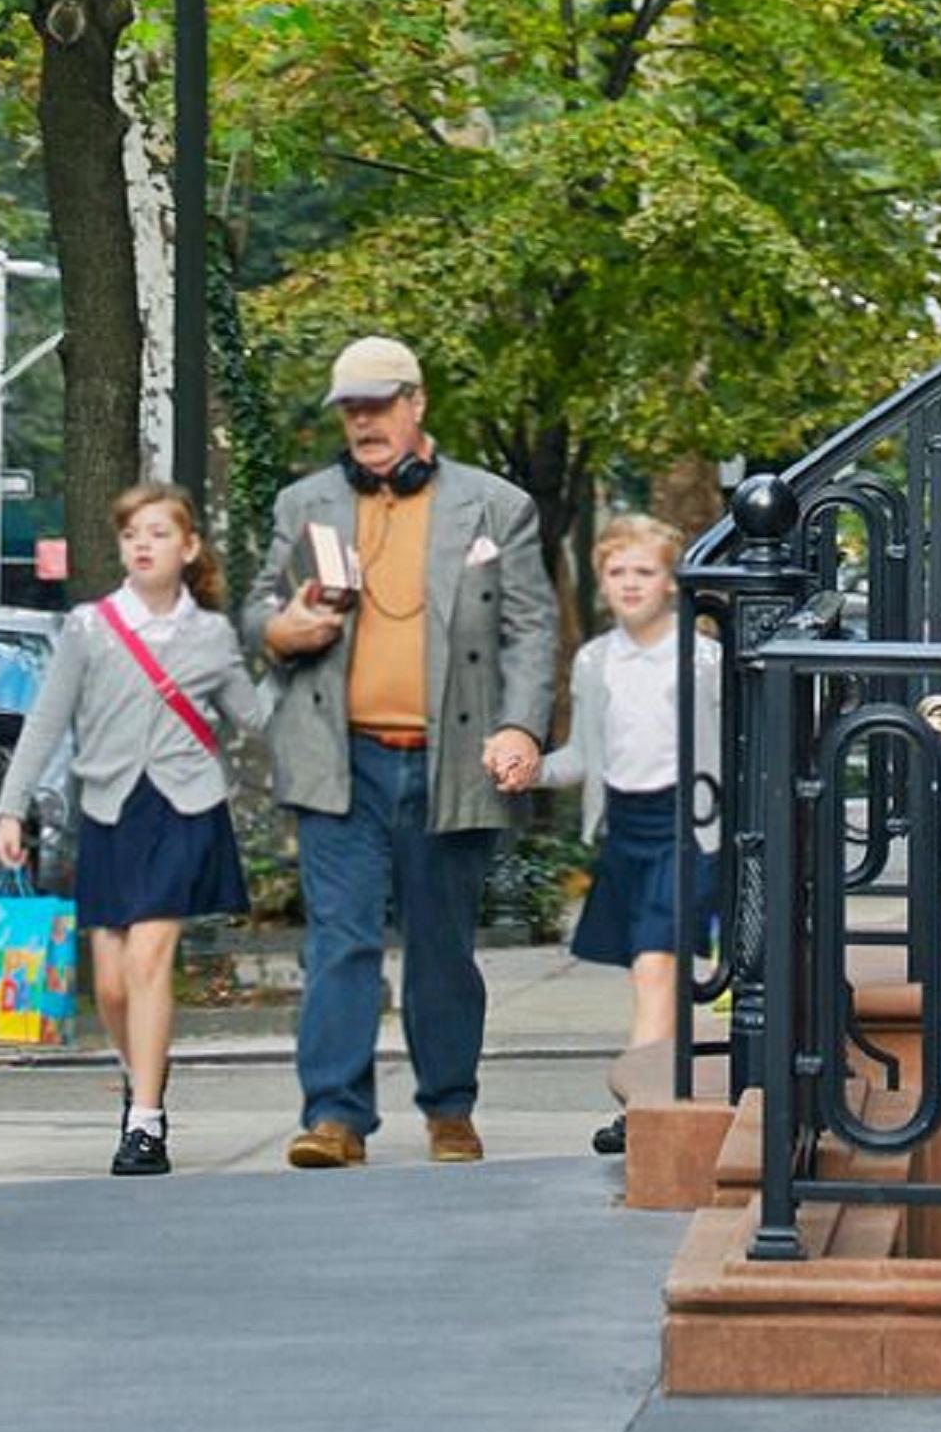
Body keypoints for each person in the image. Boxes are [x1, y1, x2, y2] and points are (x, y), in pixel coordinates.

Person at [241, 333, 556, 1167]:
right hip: (338, 756)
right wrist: (281, 627)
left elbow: (531, 631)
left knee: (441, 944)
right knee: (338, 938)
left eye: (378, 404)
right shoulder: (302, 501)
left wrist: (523, 726)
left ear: (416, 403)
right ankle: (335, 1117)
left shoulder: (495, 505)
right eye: (350, 408)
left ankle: (450, 1106)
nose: (364, 422)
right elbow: (257, 610)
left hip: (451, 757)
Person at [0, 477, 255, 1180]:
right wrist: (10, 808)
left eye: (159, 532)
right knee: (109, 983)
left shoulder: (212, 633)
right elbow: (47, 720)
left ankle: (144, 1120)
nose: (143, 543)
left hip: (184, 806)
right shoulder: (89, 625)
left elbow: (252, 713)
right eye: (133, 533)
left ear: (189, 546)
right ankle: (141, 1068)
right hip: (109, 808)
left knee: (147, 960)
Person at [542, 511, 723, 1163]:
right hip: (626, 825)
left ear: (672, 580)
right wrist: (529, 767)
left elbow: (730, 745)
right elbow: (583, 755)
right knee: (652, 974)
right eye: (616, 571)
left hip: (689, 823)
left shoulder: (703, 659)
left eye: (644, 570)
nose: (629, 583)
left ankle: (639, 1108)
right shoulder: (595, 660)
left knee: (656, 967)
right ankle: (661, 1093)